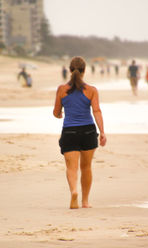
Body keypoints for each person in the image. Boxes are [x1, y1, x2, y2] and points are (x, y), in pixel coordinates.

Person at [53, 56, 107, 209]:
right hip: (88, 131)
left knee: (72, 167)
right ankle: (85, 201)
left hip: (70, 131)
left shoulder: (62, 89)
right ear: (84, 71)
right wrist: (102, 132)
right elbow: (96, 111)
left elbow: (56, 112)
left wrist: (61, 113)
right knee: (86, 167)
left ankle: (74, 192)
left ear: (70, 70)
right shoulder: (91, 90)